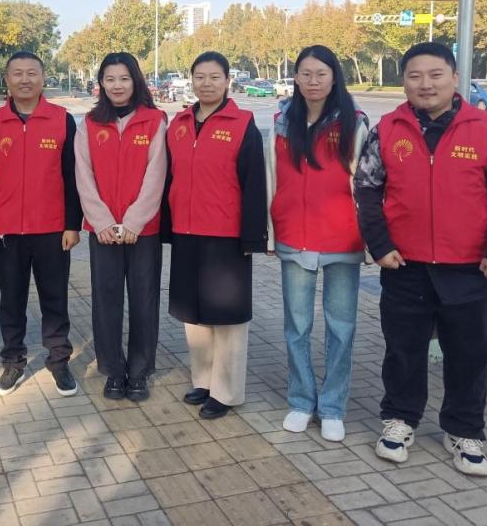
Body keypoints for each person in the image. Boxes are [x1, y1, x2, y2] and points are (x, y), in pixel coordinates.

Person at [354, 42, 487, 477]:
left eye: (435, 75)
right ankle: (400, 419)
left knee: (470, 354)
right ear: (404, 82)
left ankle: (464, 431)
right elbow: (367, 189)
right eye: (415, 76)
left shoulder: (484, 128)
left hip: (471, 268)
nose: (425, 84)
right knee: (403, 351)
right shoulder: (387, 129)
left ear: (453, 78)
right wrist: (380, 245)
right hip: (405, 266)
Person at [267, 45, 368, 442]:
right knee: (297, 325)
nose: (313, 81)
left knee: (341, 327)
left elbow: (366, 184)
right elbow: (272, 179)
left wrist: (372, 240)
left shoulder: (354, 123)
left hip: (343, 237)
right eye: (306, 74)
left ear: (334, 77)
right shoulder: (281, 123)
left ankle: (332, 406)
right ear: (295, 78)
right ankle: (301, 400)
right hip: (295, 236)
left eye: (321, 74)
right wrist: (271, 231)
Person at [165, 51, 266, 419]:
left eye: (214, 77)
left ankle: (226, 391)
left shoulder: (242, 124)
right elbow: (169, 178)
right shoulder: (178, 124)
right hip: (186, 231)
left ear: (227, 81)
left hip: (226, 235)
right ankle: (204, 381)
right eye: (200, 77)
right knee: (194, 314)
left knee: (227, 317)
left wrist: (253, 238)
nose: (206, 83)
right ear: (191, 80)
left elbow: (254, 183)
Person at [0, 51, 83, 397]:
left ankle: (59, 360)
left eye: (32, 73)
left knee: (55, 298)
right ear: (6, 79)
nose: (25, 80)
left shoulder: (61, 120)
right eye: (17, 73)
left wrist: (72, 224)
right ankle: (13, 361)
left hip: (52, 229)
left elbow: (72, 177)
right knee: (11, 300)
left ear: (43, 78)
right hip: (7, 231)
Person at [75, 53, 167, 402]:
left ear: (136, 81)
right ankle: (113, 370)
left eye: (124, 78)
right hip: (102, 231)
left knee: (144, 301)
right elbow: (83, 176)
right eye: (110, 79)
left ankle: (139, 372)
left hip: (143, 231)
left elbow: (156, 174)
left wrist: (134, 221)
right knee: (106, 301)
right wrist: (101, 221)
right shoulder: (89, 124)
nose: (117, 85)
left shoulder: (155, 121)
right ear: (101, 83)